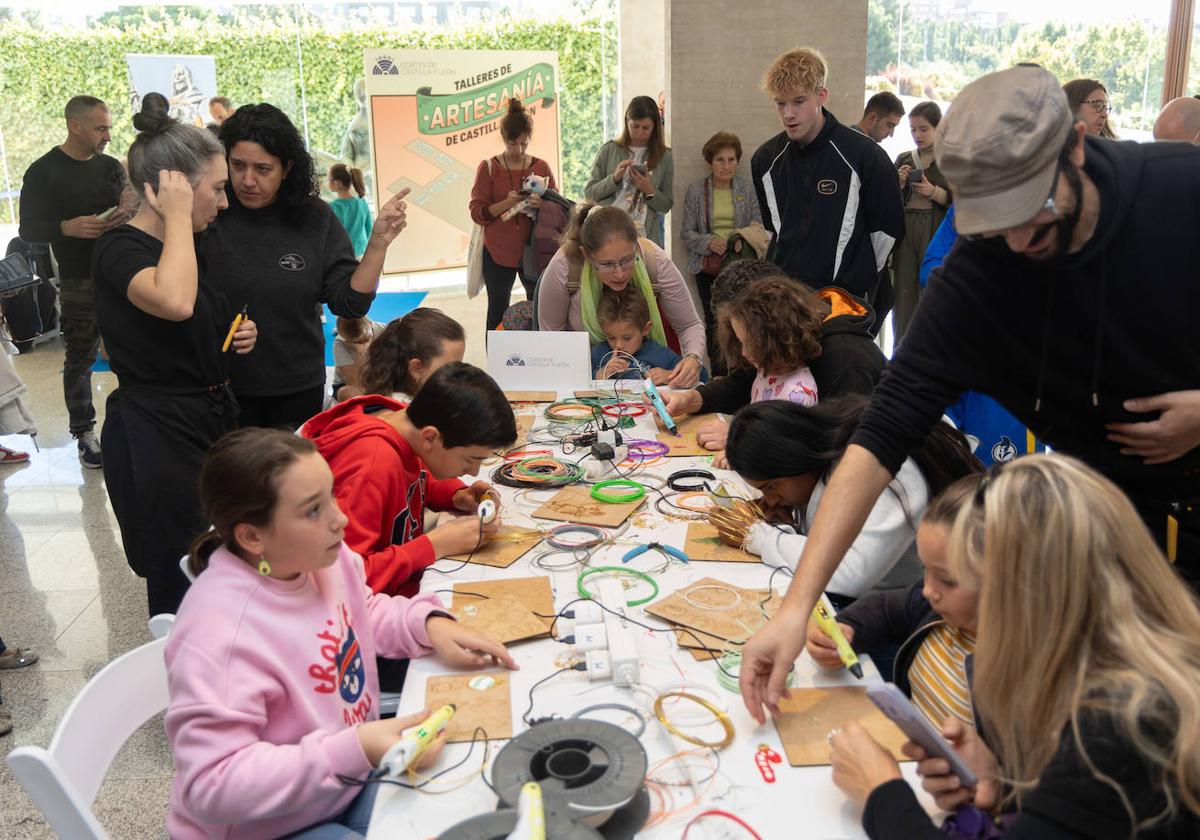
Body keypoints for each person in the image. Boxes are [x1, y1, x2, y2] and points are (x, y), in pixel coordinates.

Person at [738, 64, 1200, 727]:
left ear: (1073, 147)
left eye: (1031, 222)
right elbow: (882, 432)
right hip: (1116, 534)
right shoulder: (981, 270)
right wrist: (794, 608)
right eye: (994, 228)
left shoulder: (1179, 191)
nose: (1016, 245)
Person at [165, 427, 516, 840]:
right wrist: (355, 749)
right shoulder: (219, 633)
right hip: (263, 828)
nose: (340, 519)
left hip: (341, 784)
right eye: (313, 510)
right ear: (252, 536)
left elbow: (360, 610)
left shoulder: (319, 557)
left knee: (469, 800)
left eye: (331, 495)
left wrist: (426, 624)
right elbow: (213, 785)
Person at [828, 455, 1200, 839]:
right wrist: (1007, 784)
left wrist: (881, 793)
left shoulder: (1115, 731)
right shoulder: (1117, 677)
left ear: (1031, 592)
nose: (928, 592)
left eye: (954, 580)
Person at [91, 92, 257, 617]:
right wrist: (180, 219)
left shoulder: (189, 246)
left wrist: (236, 335)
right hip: (156, 432)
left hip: (208, 418)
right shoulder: (120, 248)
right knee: (180, 572)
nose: (225, 202)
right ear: (173, 190)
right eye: (217, 189)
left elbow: (196, 319)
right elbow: (175, 301)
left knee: (224, 560)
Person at [203, 103, 410, 430]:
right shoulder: (209, 213)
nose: (248, 180)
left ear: (286, 168)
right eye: (237, 165)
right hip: (219, 389)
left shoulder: (313, 217)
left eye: (262, 169)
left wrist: (378, 244)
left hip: (296, 386)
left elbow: (349, 302)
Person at [725, 397, 979, 604]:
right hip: (890, 599)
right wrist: (790, 526)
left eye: (771, 486)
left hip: (929, 607)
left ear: (795, 457)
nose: (771, 500)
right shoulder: (823, 459)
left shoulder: (882, 470)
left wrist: (762, 538)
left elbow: (850, 573)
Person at [301, 362, 515, 598]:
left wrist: (455, 495)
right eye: (469, 459)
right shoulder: (369, 467)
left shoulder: (406, 425)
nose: (473, 472)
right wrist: (435, 545)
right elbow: (343, 580)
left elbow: (416, 475)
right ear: (431, 437)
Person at [807, 474, 981, 726]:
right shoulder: (932, 606)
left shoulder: (1026, 674)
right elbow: (886, 609)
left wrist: (983, 766)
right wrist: (846, 631)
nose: (927, 590)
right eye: (926, 570)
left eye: (948, 580)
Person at [18, 95, 134, 468]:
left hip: (121, 273)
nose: (107, 136)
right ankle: (84, 432)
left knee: (132, 352)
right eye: (101, 129)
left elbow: (124, 204)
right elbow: (28, 229)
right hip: (78, 278)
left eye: (109, 128)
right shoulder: (42, 171)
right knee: (81, 357)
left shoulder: (109, 167)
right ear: (75, 125)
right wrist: (64, 228)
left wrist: (126, 213)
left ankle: (134, 424)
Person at [751, 47, 904, 318]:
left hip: (846, 308)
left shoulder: (866, 157)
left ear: (822, 96)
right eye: (780, 103)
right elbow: (775, 232)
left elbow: (887, 235)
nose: (788, 114)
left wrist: (854, 285)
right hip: (787, 308)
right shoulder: (766, 160)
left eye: (798, 101)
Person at [660, 274, 884, 453]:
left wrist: (746, 439)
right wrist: (693, 399)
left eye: (749, 344)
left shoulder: (848, 363)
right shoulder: (789, 344)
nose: (745, 354)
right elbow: (745, 382)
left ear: (773, 335)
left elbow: (836, 445)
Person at [921, 204, 1045, 467]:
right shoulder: (969, 204)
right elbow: (930, 268)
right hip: (961, 346)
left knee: (1011, 475)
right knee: (948, 455)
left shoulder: (1048, 206)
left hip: (1014, 359)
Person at [537, 205, 705, 387]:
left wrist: (692, 360)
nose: (619, 274)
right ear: (586, 254)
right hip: (579, 372)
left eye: (627, 260)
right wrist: (593, 376)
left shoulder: (655, 261)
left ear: (636, 245)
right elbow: (551, 339)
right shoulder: (565, 267)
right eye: (607, 264)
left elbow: (688, 324)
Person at [468, 99, 557, 331]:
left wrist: (542, 205)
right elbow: (477, 212)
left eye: (524, 144)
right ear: (503, 138)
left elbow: (558, 208)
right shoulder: (489, 168)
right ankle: (495, 365)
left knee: (538, 309)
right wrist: (505, 204)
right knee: (497, 311)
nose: (519, 150)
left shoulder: (542, 167)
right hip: (498, 252)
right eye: (513, 143)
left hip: (534, 251)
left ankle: (537, 360)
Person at [680, 132, 763, 366]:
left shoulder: (747, 189)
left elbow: (759, 226)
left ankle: (742, 369)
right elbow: (686, 233)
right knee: (713, 320)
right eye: (720, 160)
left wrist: (740, 238)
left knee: (744, 318)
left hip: (740, 266)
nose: (726, 166)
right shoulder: (697, 191)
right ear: (710, 162)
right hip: (708, 266)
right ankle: (717, 371)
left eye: (731, 160)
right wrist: (708, 242)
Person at [892, 101, 951, 342]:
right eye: (913, 129)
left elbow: (962, 201)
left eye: (924, 129)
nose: (917, 135)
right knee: (903, 293)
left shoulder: (950, 161)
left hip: (935, 227)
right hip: (906, 227)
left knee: (932, 290)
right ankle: (900, 354)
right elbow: (888, 198)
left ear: (939, 128)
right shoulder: (904, 158)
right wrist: (900, 183)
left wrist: (934, 192)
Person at [584, 96, 674, 247]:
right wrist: (614, 179)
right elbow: (590, 194)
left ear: (655, 127)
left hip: (646, 235)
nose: (640, 133)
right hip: (608, 232)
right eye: (635, 126)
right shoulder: (609, 150)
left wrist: (649, 190)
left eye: (646, 128)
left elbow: (666, 206)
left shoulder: (665, 156)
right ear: (627, 122)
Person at [592, 288, 708, 383]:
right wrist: (600, 374)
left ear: (646, 328)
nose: (618, 345)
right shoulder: (599, 353)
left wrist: (669, 376)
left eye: (627, 338)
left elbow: (702, 375)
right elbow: (576, 378)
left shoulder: (661, 355)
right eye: (611, 337)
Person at [358, 308, 466, 403]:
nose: (460, 377)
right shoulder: (411, 414)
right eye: (452, 370)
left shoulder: (386, 398)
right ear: (416, 369)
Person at [331, 316, 385, 403]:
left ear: (371, 323)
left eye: (366, 339)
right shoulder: (340, 344)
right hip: (350, 383)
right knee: (349, 393)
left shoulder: (383, 329)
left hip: (377, 377)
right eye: (356, 343)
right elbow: (354, 384)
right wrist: (360, 353)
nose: (362, 344)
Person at [328, 163, 373, 257]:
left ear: (337, 183)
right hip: (362, 254)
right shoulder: (362, 203)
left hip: (342, 255)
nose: (327, 182)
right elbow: (369, 229)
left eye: (329, 180)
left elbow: (330, 235)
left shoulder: (332, 207)